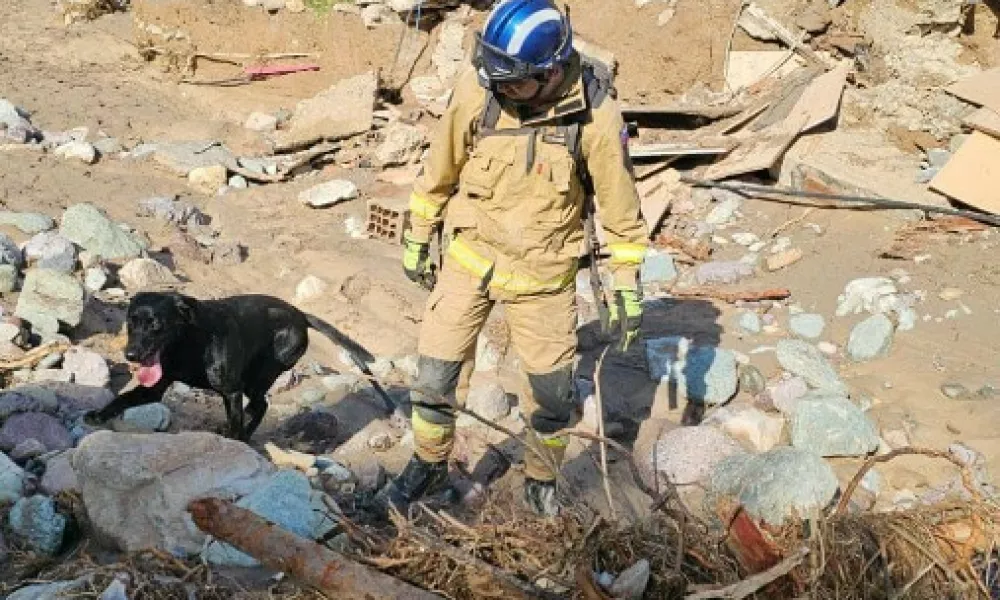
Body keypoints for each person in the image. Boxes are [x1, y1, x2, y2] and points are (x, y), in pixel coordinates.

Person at [378, 0, 649, 517]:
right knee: (435, 374)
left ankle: (540, 481)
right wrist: (419, 230)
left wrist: (628, 283)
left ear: (548, 72)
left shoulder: (595, 113)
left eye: (512, 83)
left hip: (544, 275)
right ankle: (429, 465)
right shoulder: (480, 86)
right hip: (470, 256)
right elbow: (441, 165)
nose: (498, 89)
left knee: (550, 399)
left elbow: (620, 208)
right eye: (494, 77)